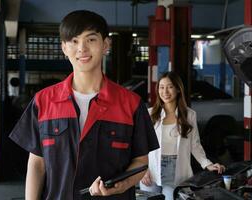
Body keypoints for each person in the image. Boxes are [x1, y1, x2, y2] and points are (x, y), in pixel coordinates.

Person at [9, 10, 159, 200]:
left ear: (106, 44)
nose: (82, 48)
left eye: (91, 39)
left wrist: (121, 186)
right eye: (74, 41)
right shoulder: (43, 101)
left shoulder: (131, 103)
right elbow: (37, 163)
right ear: (64, 47)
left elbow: (140, 161)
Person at [140, 71, 225, 200]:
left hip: (176, 170)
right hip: (151, 169)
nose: (165, 91)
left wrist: (207, 164)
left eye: (170, 87)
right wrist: (142, 169)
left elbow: (195, 145)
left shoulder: (189, 115)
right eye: (161, 87)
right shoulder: (150, 114)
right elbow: (141, 144)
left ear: (178, 89)